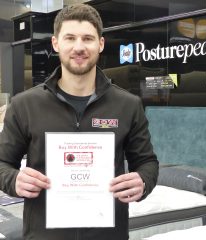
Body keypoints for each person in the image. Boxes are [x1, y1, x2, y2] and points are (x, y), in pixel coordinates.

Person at [0, 3, 158, 240]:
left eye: (88, 38)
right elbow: (2, 163)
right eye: (70, 38)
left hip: (108, 234)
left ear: (100, 44)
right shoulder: (24, 105)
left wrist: (143, 181)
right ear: (56, 43)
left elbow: (147, 162)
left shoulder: (128, 105)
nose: (79, 47)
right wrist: (14, 180)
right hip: (44, 235)